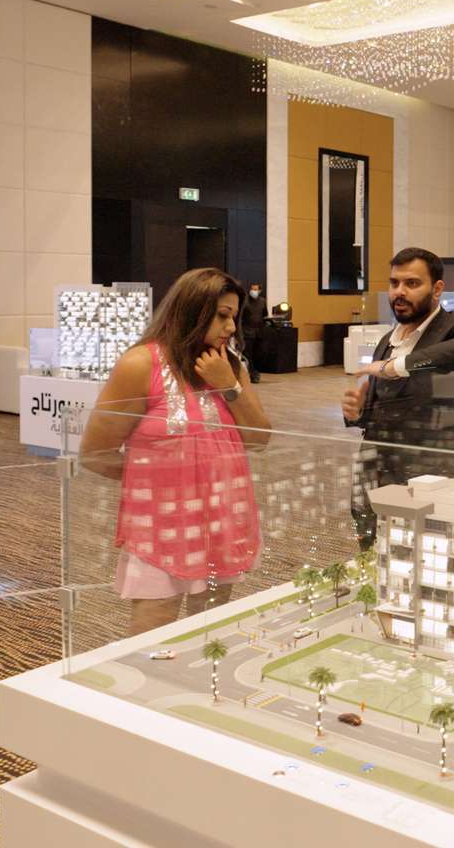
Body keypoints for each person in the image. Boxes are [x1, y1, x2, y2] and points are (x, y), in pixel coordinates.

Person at [80, 268, 269, 636]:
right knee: (152, 635)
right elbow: (95, 452)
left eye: (234, 317)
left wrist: (228, 386)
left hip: (222, 518)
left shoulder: (229, 365)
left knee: (210, 632)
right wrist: (160, 481)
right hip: (161, 525)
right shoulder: (141, 364)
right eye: (222, 315)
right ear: (192, 312)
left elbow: (259, 439)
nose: (231, 327)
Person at [343, 248, 454, 549]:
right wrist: (359, 413)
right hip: (382, 482)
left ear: (437, 289)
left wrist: (395, 367)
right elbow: (382, 409)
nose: (400, 292)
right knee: (377, 563)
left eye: (412, 283)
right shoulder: (387, 341)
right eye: (394, 283)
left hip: (441, 483)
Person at [240, 280, 267, 383]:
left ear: (259, 291)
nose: (253, 291)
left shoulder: (262, 301)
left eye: (256, 289)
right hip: (247, 332)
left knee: (259, 353)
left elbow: (264, 314)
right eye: (252, 289)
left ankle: (255, 371)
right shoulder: (245, 301)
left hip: (259, 332)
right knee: (248, 354)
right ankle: (252, 374)